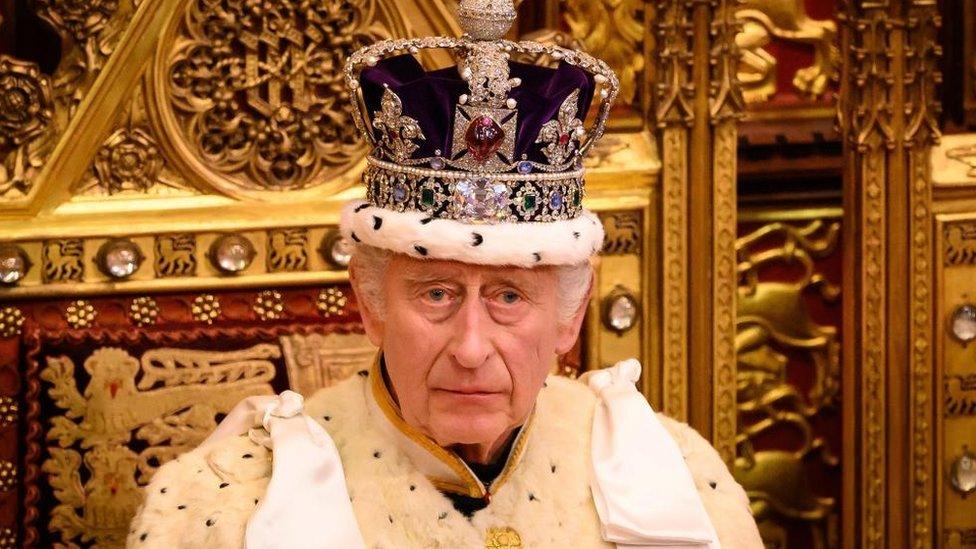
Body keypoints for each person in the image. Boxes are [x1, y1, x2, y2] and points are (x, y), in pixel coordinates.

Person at [126, 1, 762, 547]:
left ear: (571, 314)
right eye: (436, 294)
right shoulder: (223, 506)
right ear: (370, 305)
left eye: (509, 297)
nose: (471, 348)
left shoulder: (677, 480)